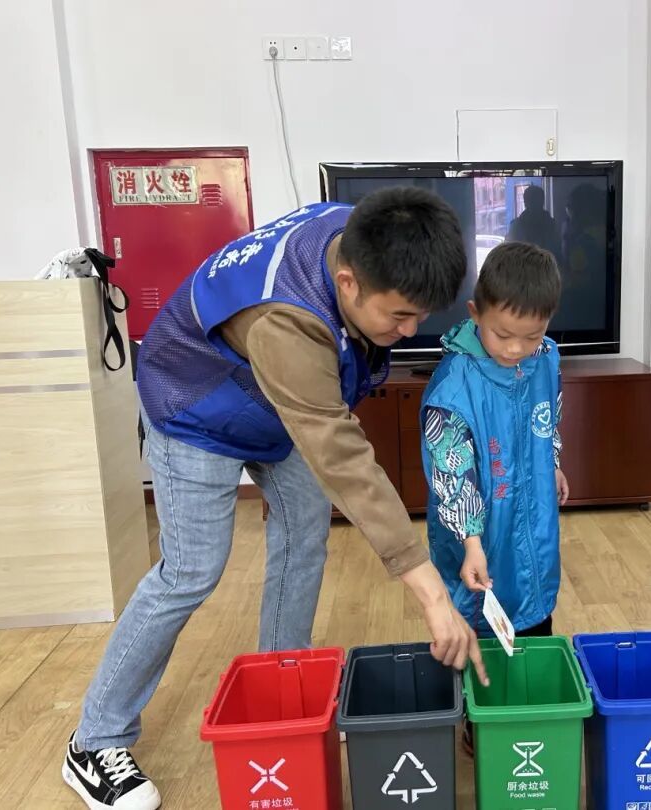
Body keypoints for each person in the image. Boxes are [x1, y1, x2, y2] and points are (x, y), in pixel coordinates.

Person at [63, 187, 488, 810]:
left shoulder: (361, 232)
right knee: (191, 571)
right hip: (194, 407)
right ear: (348, 282)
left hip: (276, 406)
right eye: (399, 316)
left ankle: (281, 695)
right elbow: (343, 457)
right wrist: (432, 595)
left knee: (304, 539)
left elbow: (319, 411)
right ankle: (95, 739)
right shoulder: (286, 321)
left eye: (419, 315)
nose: (408, 332)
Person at [420, 242, 568, 751]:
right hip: (480, 531)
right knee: (480, 611)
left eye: (532, 335)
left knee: (534, 603)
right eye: (503, 334)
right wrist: (471, 542)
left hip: (534, 516)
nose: (516, 349)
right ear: (475, 313)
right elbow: (451, 475)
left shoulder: (545, 358)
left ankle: (528, 705)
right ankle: (477, 720)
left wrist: (552, 461)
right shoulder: (454, 387)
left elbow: (549, 416)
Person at [506, 184, 563, 265]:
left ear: (525, 202)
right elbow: (557, 254)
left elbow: (511, 256)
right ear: (542, 202)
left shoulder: (516, 226)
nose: (534, 204)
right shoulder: (551, 225)